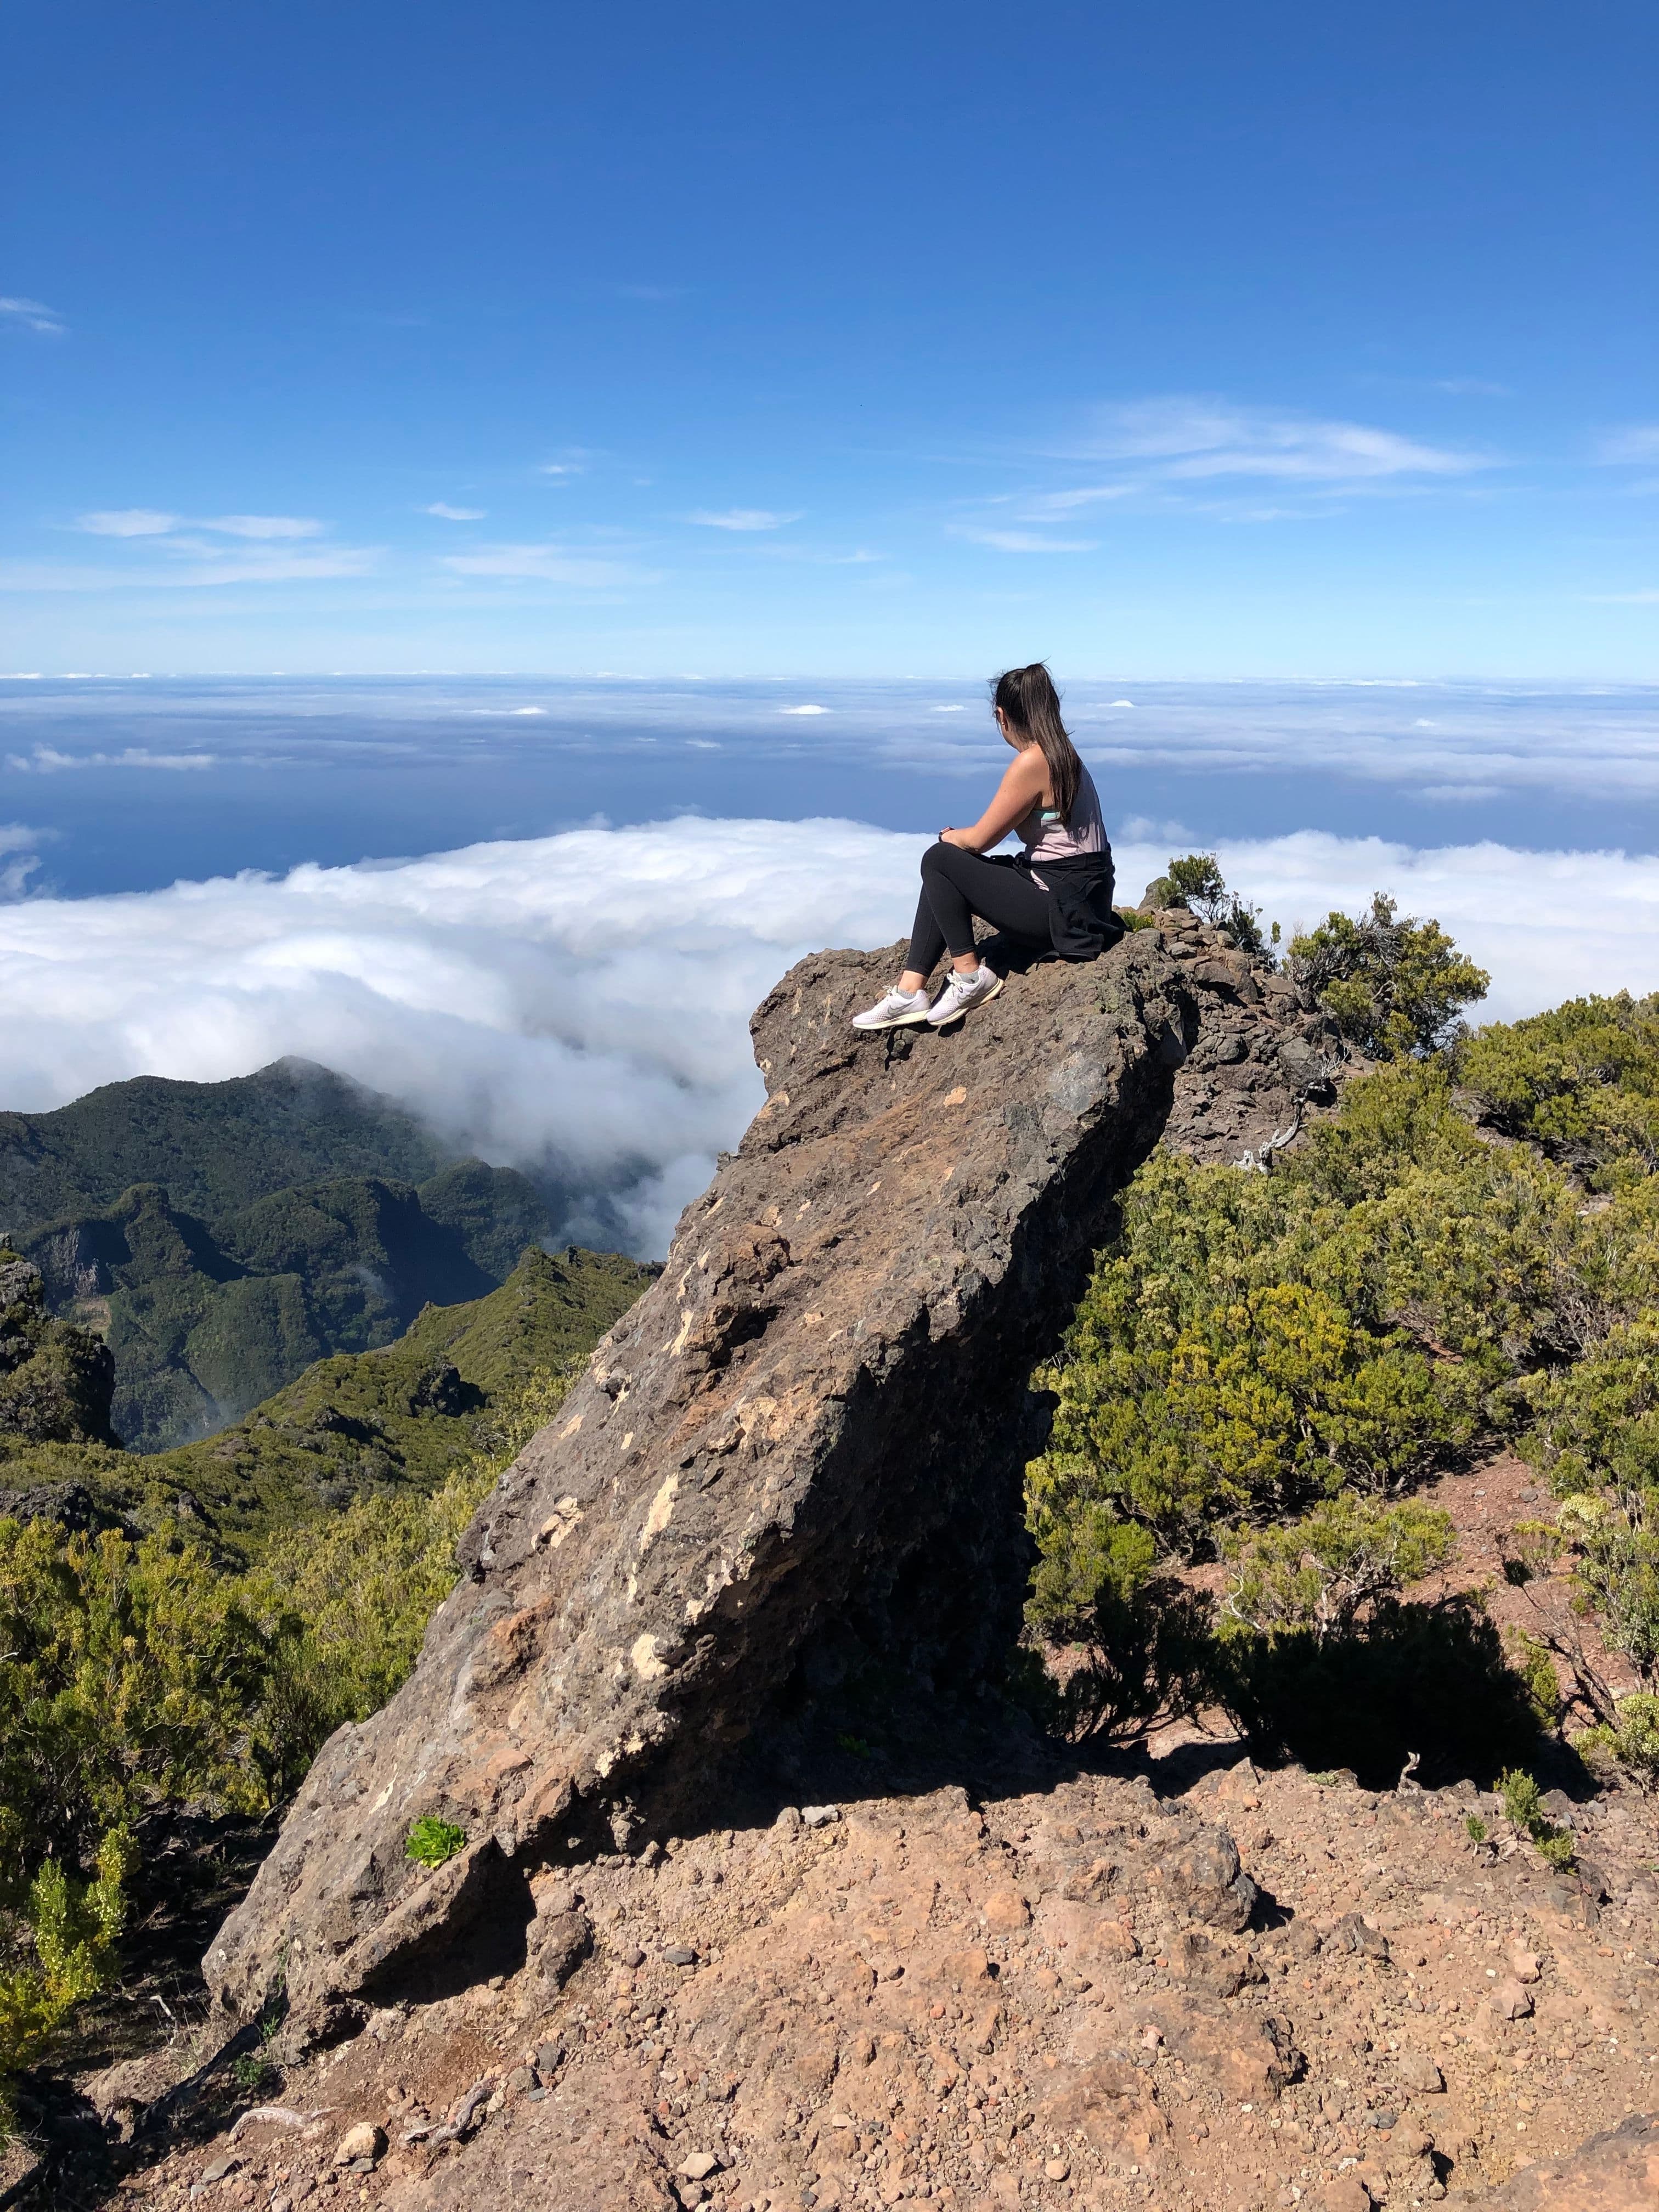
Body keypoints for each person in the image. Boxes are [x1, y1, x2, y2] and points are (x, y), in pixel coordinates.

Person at [852, 663, 1120, 1031]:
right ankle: (910, 991)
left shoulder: (1033, 762)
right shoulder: (1064, 755)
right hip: (1083, 902)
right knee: (946, 867)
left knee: (939, 860)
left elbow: (979, 841)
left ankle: (970, 976)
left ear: (1002, 715)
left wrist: (950, 838)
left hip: (1061, 910)